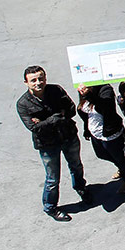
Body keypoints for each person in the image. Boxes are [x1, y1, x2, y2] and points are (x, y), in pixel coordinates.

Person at [16, 65, 88, 221]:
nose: (38, 83)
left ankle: (81, 188)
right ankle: (50, 207)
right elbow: (34, 128)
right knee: (52, 178)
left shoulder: (56, 90)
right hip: (48, 145)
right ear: (26, 82)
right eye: (33, 80)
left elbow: (71, 109)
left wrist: (44, 121)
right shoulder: (23, 104)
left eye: (41, 78)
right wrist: (56, 117)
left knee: (76, 166)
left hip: (68, 136)